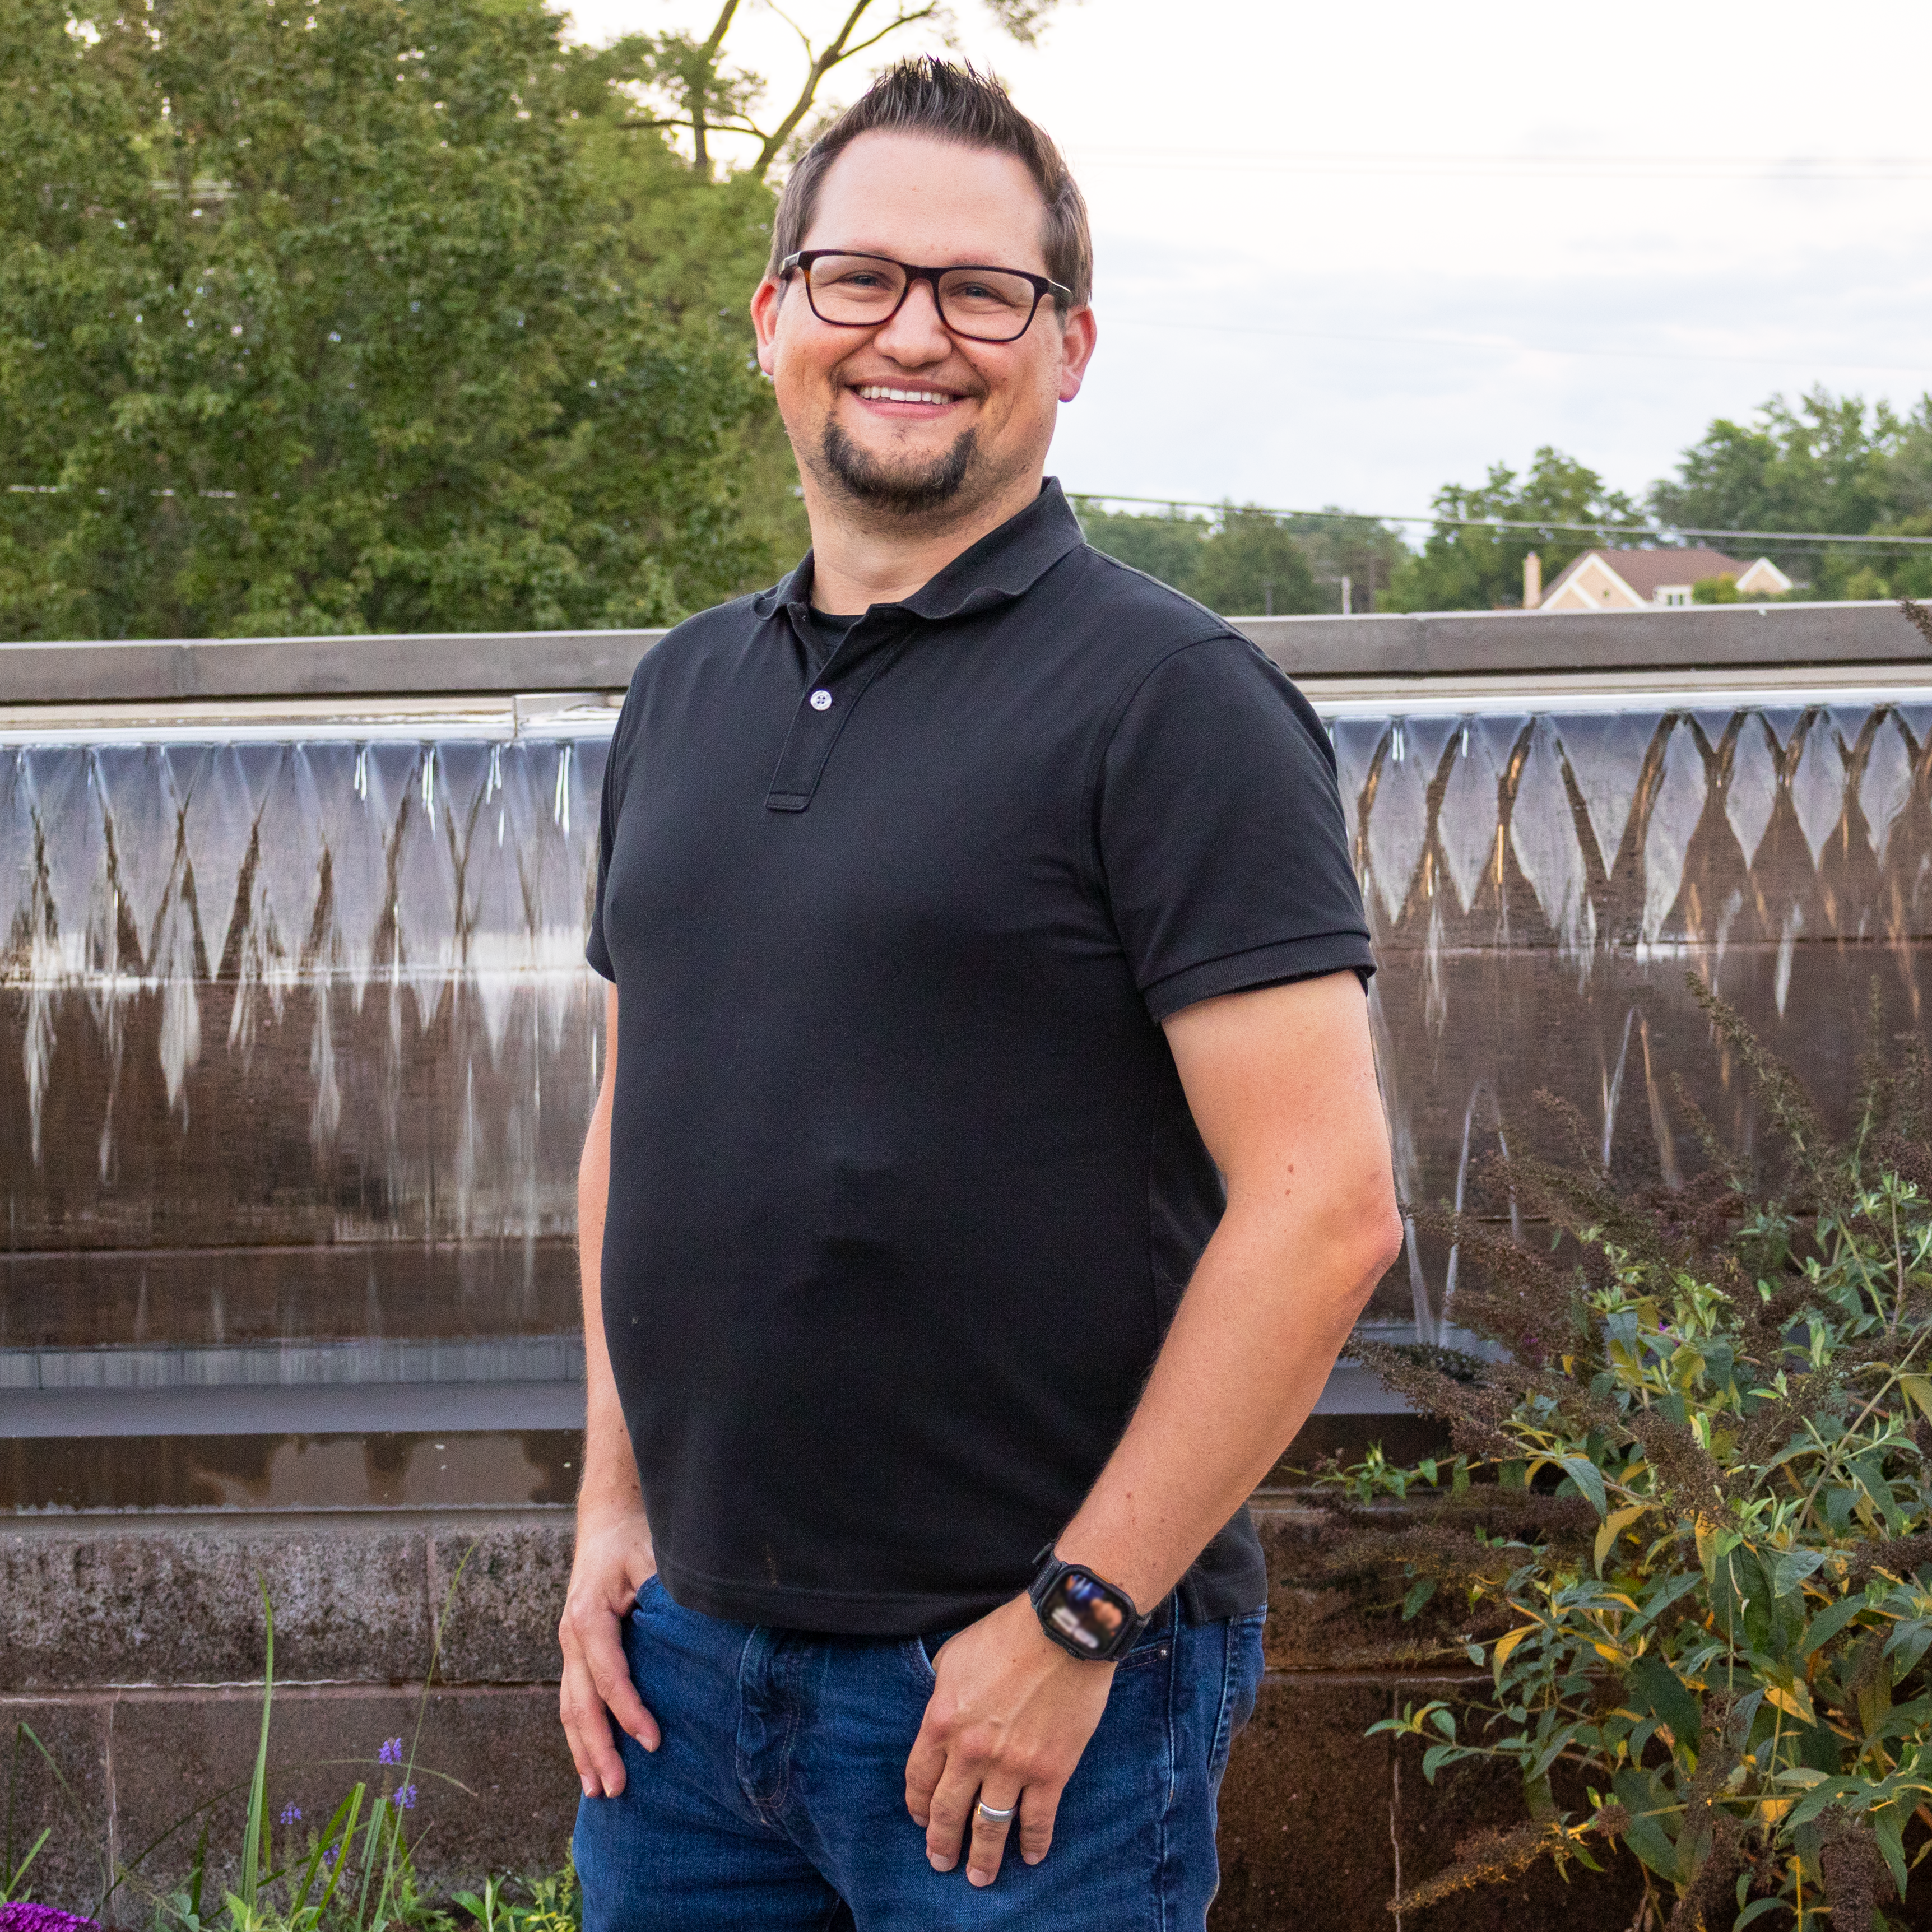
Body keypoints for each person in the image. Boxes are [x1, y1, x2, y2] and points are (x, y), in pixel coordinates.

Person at [559, 57, 1403, 1931]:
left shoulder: (1170, 704)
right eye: (861, 278)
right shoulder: (681, 697)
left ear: (1069, 345)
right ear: (778, 314)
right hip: (682, 1690)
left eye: (982, 292)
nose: (914, 333)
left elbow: (1327, 1208)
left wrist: (1078, 1619)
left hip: (1018, 1702)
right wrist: (615, 1514)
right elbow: (644, 1124)